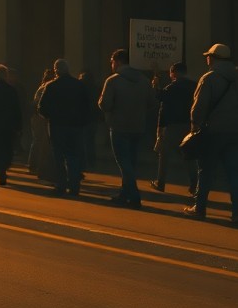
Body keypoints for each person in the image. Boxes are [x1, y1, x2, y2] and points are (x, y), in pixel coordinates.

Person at [184, 44, 238, 223]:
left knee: (206, 170)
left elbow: (198, 107)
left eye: (208, 56)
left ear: (214, 58)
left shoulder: (209, 78)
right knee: (235, 171)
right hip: (237, 131)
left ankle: (199, 207)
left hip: (213, 131)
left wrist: (195, 126)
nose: (207, 59)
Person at [99, 49, 153, 209]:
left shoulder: (113, 80)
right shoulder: (144, 80)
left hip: (118, 126)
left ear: (118, 61)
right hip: (138, 126)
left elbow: (105, 104)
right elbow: (151, 103)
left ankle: (134, 195)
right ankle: (124, 193)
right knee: (131, 162)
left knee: (123, 161)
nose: (111, 65)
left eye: (112, 61)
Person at [37, 59, 93, 196]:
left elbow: (41, 107)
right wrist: (83, 121)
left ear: (56, 70)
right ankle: (74, 185)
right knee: (74, 155)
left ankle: (61, 185)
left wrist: (50, 117)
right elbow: (88, 105)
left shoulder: (51, 86)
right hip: (76, 126)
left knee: (59, 156)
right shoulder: (79, 85)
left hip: (57, 125)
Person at [154, 63, 198, 194]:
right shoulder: (194, 86)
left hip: (173, 125)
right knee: (188, 155)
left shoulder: (172, 87)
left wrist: (155, 86)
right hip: (189, 124)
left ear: (175, 72)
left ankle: (160, 182)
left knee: (164, 154)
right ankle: (194, 183)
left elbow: (161, 98)